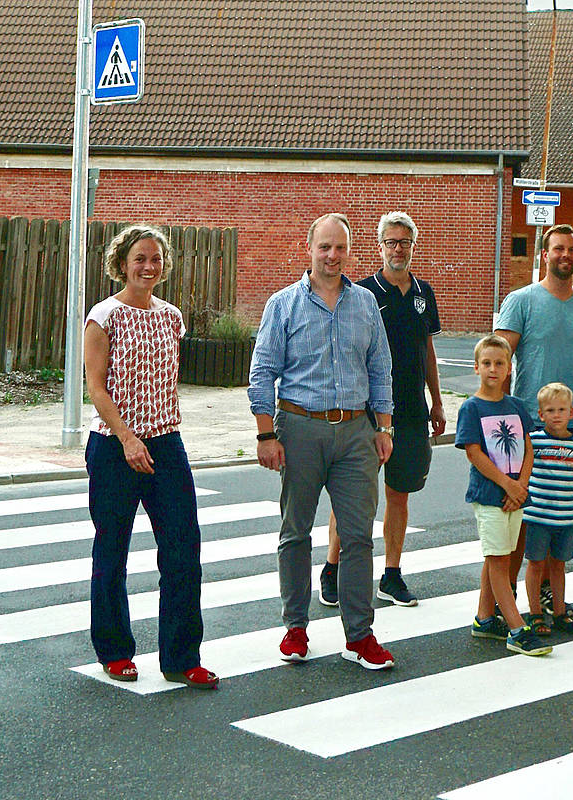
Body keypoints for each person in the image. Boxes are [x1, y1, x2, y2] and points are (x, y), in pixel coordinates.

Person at [248, 212, 397, 670]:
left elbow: (379, 370)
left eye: (340, 248)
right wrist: (266, 434)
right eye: (324, 247)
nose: (333, 256)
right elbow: (262, 373)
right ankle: (295, 626)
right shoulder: (283, 304)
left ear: (350, 251)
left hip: (356, 432)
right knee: (296, 532)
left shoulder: (367, 304)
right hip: (299, 429)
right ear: (309, 249)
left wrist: (384, 427)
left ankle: (360, 635)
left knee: (357, 536)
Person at [83, 224, 218, 689]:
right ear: (122, 263)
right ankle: (115, 650)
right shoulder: (104, 316)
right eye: (139, 258)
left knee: (183, 550)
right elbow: (97, 389)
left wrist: (152, 437)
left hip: (166, 443)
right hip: (114, 445)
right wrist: (127, 438)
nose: (148, 266)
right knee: (112, 550)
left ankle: (181, 657)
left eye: (155, 259)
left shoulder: (171, 317)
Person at [320, 211, 446, 609]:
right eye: (391, 241)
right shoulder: (362, 293)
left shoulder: (424, 293)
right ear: (379, 246)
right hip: (368, 411)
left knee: (399, 493)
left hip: (410, 410)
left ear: (413, 246)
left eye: (405, 242)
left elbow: (428, 349)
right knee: (353, 494)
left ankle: (391, 575)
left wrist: (437, 400)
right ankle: (332, 569)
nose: (398, 249)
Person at [494, 223, 573, 609]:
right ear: (545, 255)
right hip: (528, 425)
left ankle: (543, 591)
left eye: (572, 250)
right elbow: (499, 361)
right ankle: (505, 592)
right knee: (520, 517)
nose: (565, 256)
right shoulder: (521, 301)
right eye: (558, 249)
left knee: (556, 516)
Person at [455, 334, 552, 656]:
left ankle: (485, 618)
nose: (493, 369)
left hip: (516, 496)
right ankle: (515, 627)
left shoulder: (515, 407)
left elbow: (528, 448)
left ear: (509, 368)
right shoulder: (472, 408)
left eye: (499, 363)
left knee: (502, 556)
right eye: (486, 363)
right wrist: (507, 485)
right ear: (476, 368)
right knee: (498, 560)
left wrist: (521, 485)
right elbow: (474, 454)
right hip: (490, 495)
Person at [521, 382, 573, 638]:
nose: (557, 415)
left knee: (559, 565)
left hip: (565, 517)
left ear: (571, 412)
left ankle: (560, 612)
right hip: (537, 515)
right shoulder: (534, 442)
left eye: (562, 409)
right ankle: (535, 613)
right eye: (550, 410)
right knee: (536, 563)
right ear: (541, 415)